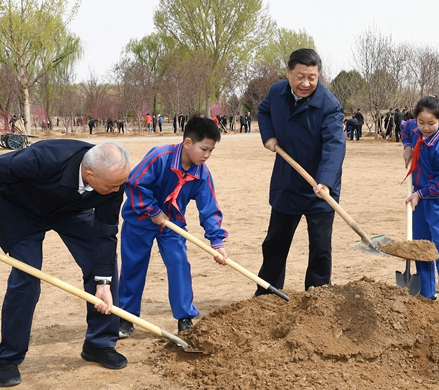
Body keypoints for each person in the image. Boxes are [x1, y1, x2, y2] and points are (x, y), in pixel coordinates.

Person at [0, 140, 131, 386]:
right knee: (27, 276)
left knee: (103, 261)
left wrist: (103, 283)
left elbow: (106, 230)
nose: (117, 190)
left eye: (119, 184)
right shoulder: (43, 158)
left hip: (69, 210)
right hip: (19, 210)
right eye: (112, 185)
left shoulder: (114, 181)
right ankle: (8, 356)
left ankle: (99, 344)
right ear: (90, 174)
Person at [118, 116, 229, 337]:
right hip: (139, 221)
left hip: (172, 224)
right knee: (133, 267)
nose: (206, 155)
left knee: (179, 264)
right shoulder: (160, 156)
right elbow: (134, 184)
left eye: (211, 151)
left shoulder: (202, 173)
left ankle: (185, 317)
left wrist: (217, 242)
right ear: (188, 143)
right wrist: (153, 211)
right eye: (204, 149)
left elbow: (209, 208)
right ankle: (126, 317)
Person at [254, 48, 345, 296]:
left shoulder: (329, 105)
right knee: (275, 243)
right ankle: (267, 292)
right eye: (300, 76)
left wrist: (325, 182)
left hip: (320, 188)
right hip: (287, 182)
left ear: (319, 75)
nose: (306, 83)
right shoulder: (276, 92)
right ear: (288, 72)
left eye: (312, 77)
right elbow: (263, 111)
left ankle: (318, 295)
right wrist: (269, 135)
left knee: (320, 248)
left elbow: (334, 147)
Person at [400, 95, 439, 302]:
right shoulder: (413, 128)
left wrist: (420, 193)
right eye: (421, 122)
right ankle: (427, 293)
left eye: (431, 123)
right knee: (421, 247)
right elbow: (404, 126)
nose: (425, 127)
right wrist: (407, 145)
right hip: (419, 200)